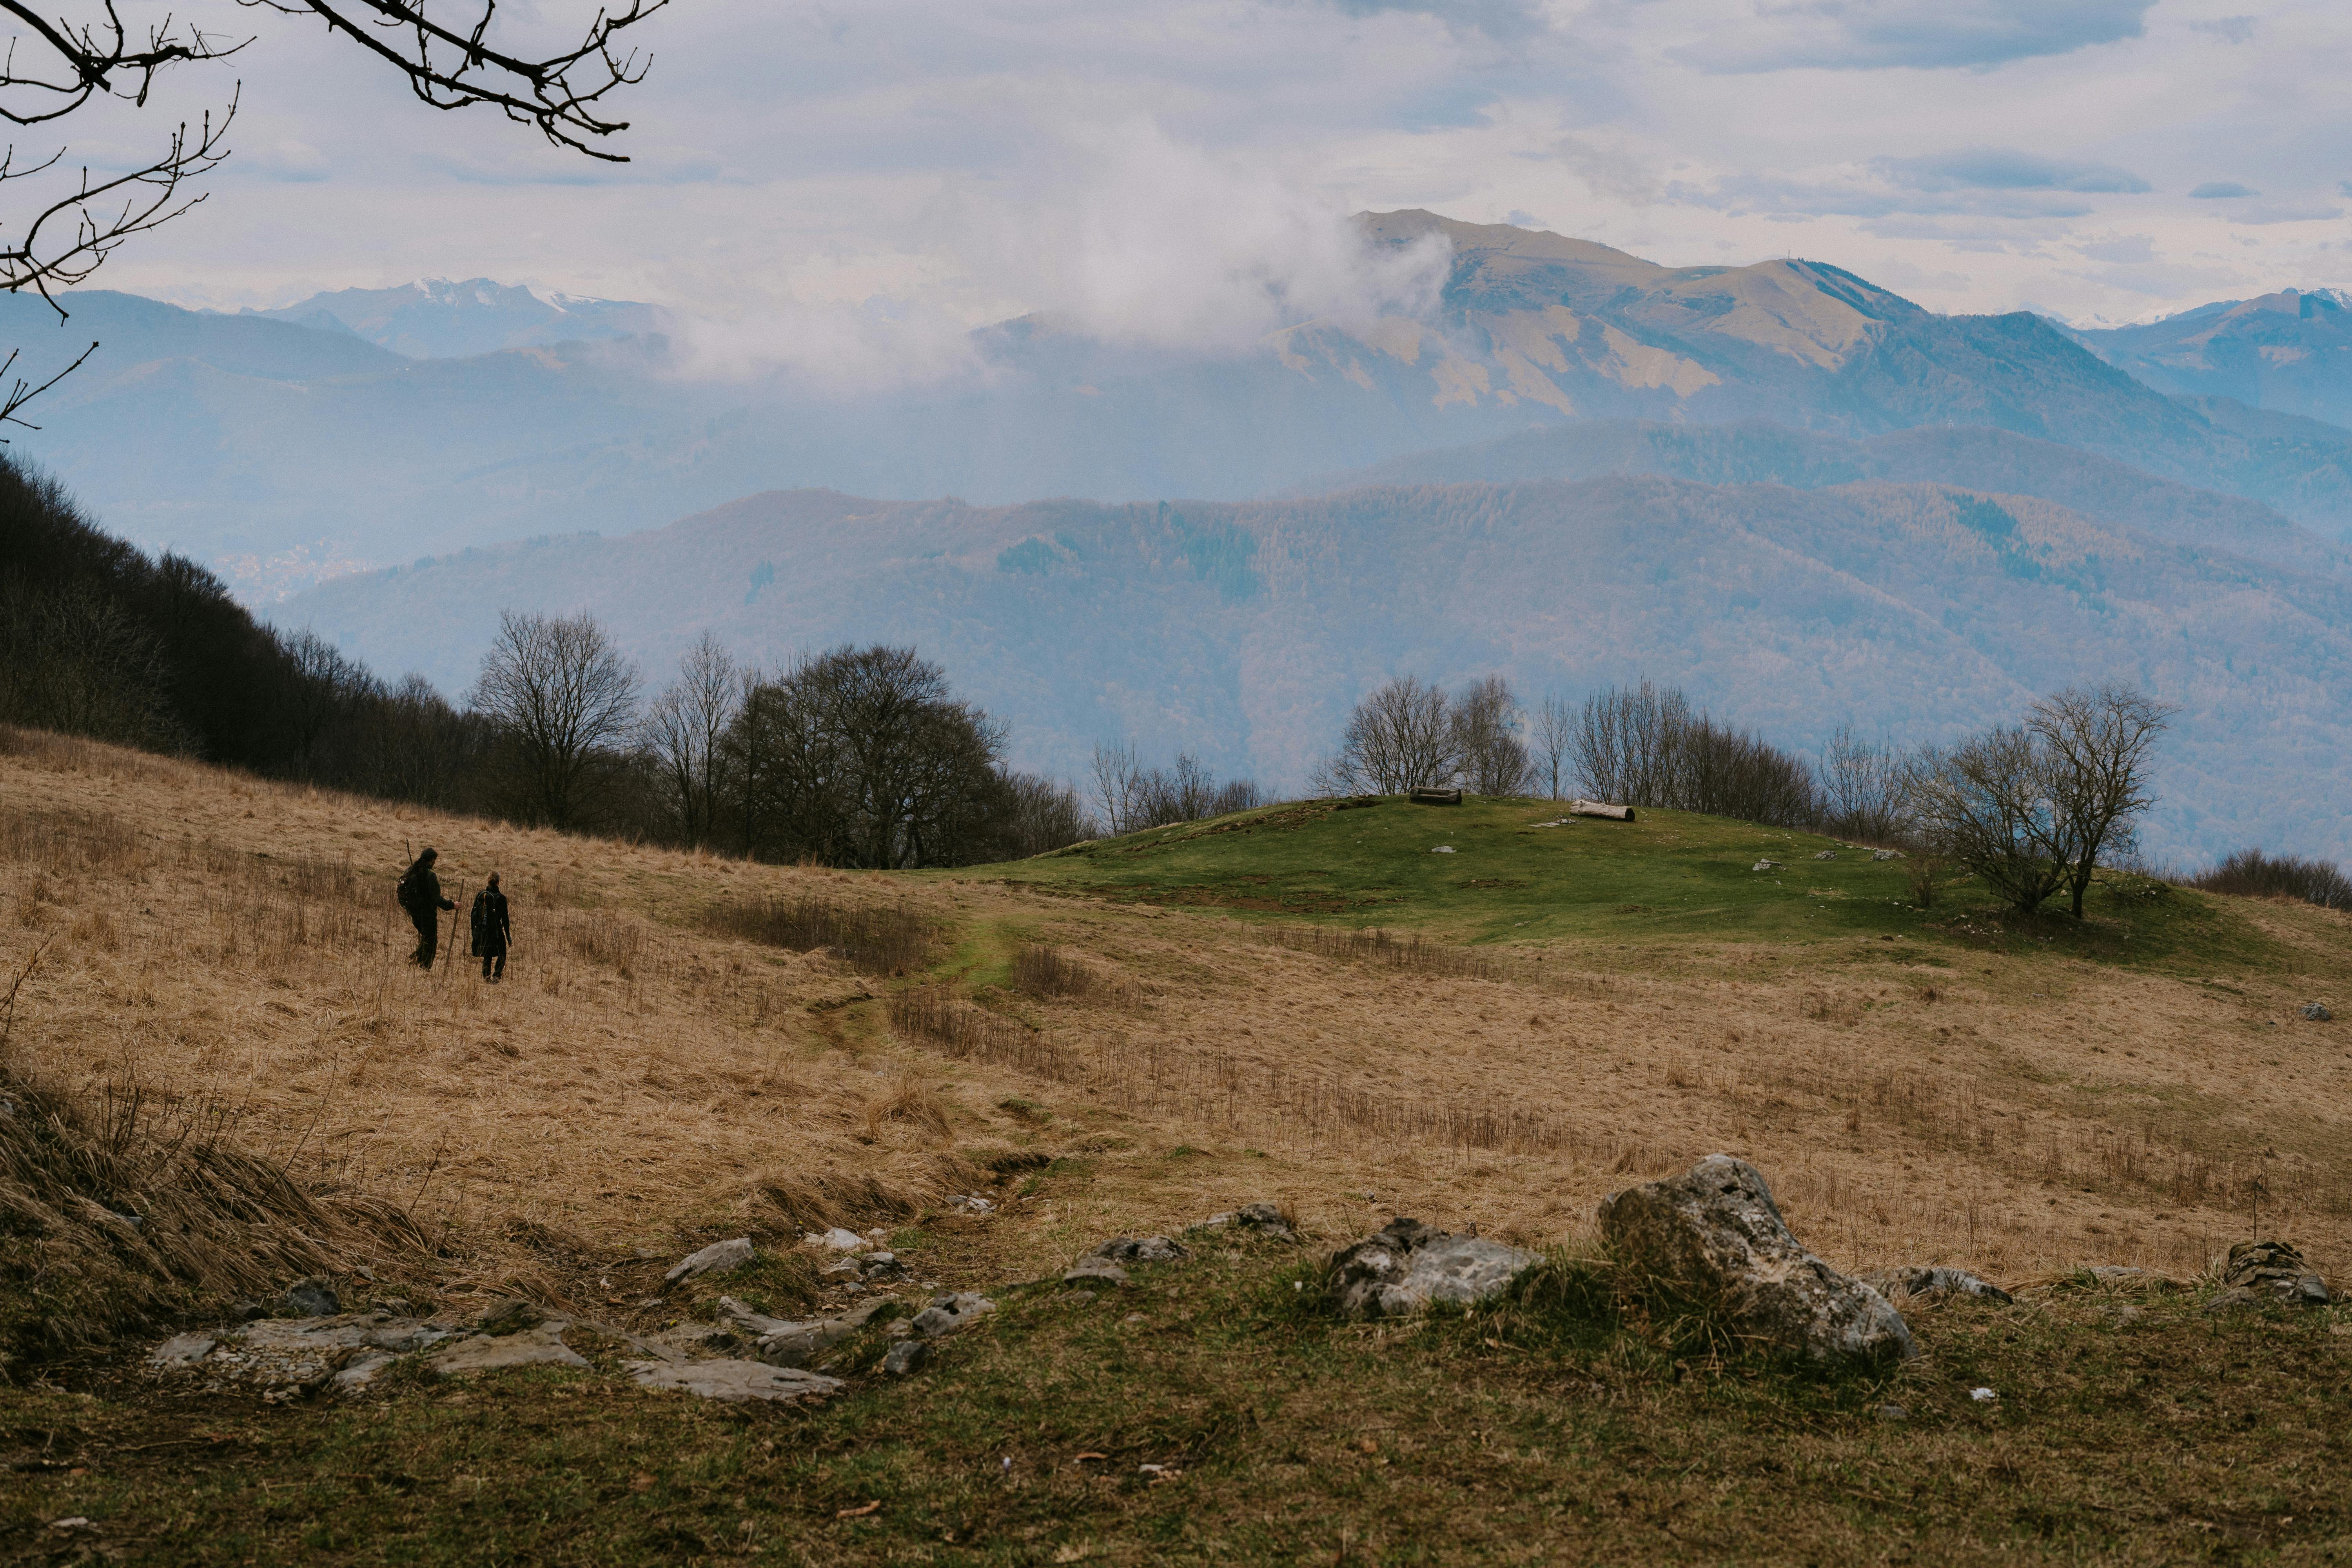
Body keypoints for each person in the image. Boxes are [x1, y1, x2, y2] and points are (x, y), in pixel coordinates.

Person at [396, 847, 455, 969]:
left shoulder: (410, 870)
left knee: (426, 938)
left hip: (413, 912)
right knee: (431, 942)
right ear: (433, 859)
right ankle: (424, 968)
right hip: (428, 914)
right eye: (435, 860)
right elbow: (437, 899)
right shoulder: (430, 875)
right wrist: (452, 905)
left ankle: (414, 961)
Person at [471, 872, 512, 982]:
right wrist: (508, 935)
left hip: (482, 929)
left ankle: (486, 978)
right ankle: (497, 976)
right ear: (499, 882)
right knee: (502, 953)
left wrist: (474, 931)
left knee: (487, 955)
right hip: (496, 930)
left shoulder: (481, 895)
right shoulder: (501, 898)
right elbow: (505, 919)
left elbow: (473, 913)